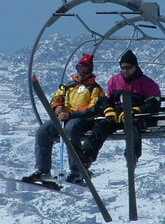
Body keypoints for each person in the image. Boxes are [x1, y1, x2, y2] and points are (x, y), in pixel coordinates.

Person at [23, 53, 106, 185]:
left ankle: (76, 170)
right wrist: (57, 108)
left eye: (86, 70)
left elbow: (93, 109)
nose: (83, 73)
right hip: (64, 118)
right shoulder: (68, 86)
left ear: (91, 71)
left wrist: (71, 114)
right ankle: (43, 170)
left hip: (83, 120)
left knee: (71, 129)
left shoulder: (95, 89)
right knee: (43, 131)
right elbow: (55, 99)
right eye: (80, 69)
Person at [82, 49, 161, 166]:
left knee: (132, 127)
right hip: (117, 116)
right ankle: (86, 156)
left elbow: (154, 103)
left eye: (128, 68)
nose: (125, 71)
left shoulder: (147, 83)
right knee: (101, 127)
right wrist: (109, 110)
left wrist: (136, 110)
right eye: (123, 68)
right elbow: (108, 99)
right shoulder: (115, 81)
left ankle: (132, 154)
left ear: (135, 67)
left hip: (136, 117)